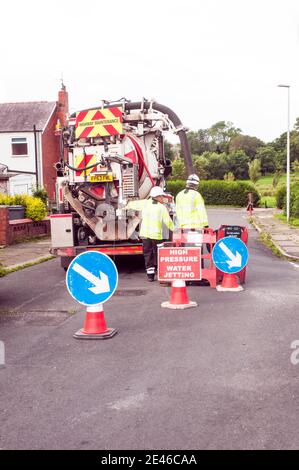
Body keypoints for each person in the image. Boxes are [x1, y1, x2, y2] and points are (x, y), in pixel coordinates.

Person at [126, 186, 174, 281]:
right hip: (156, 236)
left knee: (147, 254)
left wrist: (125, 207)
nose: (162, 198)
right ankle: (161, 273)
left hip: (145, 235)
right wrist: (175, 229)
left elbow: (132, 204)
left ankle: (150, 276)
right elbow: (168, 222)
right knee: (159, 254)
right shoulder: (162, 207)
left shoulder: (145, 203)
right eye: (161, 196)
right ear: (157, 196)